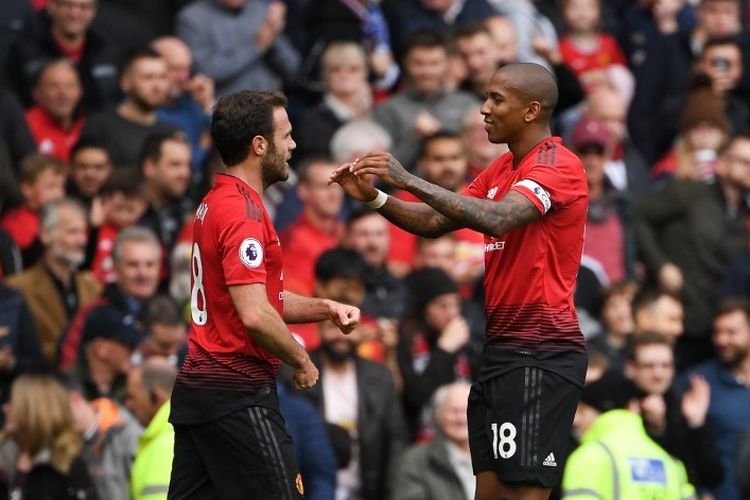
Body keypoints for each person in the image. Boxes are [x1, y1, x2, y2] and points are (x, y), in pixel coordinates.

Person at [332, 62, 588, 499]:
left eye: (496, 99)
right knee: (486, 493)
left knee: (520, 492)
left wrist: (409, 178)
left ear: (531, 111)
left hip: (539, 352)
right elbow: (435, 219)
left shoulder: (557, 165)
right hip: (502, 351)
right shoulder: (505, 166)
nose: (484, 109)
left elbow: (500, 218)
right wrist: (377, 197)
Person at [168, 90, 360, 500]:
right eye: (286, 136)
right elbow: (255, 315)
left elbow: (256, 298)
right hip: (236, 393)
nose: (293, 146)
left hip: (199, 390)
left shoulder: (214, 202)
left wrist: (324, 308)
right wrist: (301, 359)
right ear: (260, 145)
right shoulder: (244, 213)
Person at [299, 318, 409, 500]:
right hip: (313, 489)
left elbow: (396, 440)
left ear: (361, 333)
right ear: (318, 330)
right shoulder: (296, 373)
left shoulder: (380, 377)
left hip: (367, 490)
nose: (341, 336)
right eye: (332, 327)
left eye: (349, 329)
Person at [561, 370, 697, 499]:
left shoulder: (588, 458)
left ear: (601, 412)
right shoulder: (670, 463)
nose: (576, 421)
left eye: (583, 411)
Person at [5, 198, 101, 368]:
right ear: (46, 235)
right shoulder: (17, 288)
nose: (82, 240)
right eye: (72, 232)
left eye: (83, 232)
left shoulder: (94, 288)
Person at [684, 298, 750, 500]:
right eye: (717, 332)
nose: (722, 340)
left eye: (731, 332)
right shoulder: (697, 381)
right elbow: (683, 445)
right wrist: (701, 491)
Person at [0, 375, 99, 499]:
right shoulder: (5, 456)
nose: (5, 408)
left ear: (34, 411)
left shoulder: (66, 466)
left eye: (13, 403)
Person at [176, 0, 300, 97]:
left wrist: (273, 35)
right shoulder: (192, 19)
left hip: (269, 106)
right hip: (226, 113)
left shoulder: (260, 10)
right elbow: (206, 72)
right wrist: (256, 46)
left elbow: (293, 67)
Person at [80, 48, 178, 167]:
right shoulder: (99, 126)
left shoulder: (171, 133)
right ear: (125, 83)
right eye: (148, 77)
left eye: (162, 77)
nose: (157, 86)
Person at [393, 382, 475, 500]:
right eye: (454, 411)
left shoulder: (498, 455)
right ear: (438, 415)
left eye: (468, 410)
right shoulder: (415, 461)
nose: (462, 418)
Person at [0, 153, 66, 267]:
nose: (59, 194)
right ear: (27, 189)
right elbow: (23, 261)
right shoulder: (15, 222)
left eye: (61, 187)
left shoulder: (63, 217)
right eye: (51, 187)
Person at [126, 357, 178, 500]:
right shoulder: (176, 435)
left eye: (132, 397)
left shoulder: (165, 445)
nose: (129, 405)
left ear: (156, 396)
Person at [24, 59, 85, 163]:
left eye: (70, 86)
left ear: (80, 92)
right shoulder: (25, 127)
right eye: (54, 86)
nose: (63, 94)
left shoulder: (89, 126)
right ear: (36, 93)